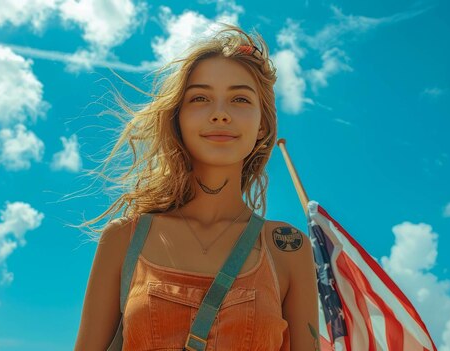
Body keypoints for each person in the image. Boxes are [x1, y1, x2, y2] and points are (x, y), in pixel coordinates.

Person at [74, 23, 320, 351]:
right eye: (200, 98)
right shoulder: (124, 239)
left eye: (240, 99)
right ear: (178, 118)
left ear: (262, 124)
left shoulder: (287, 248)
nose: (220, 114)